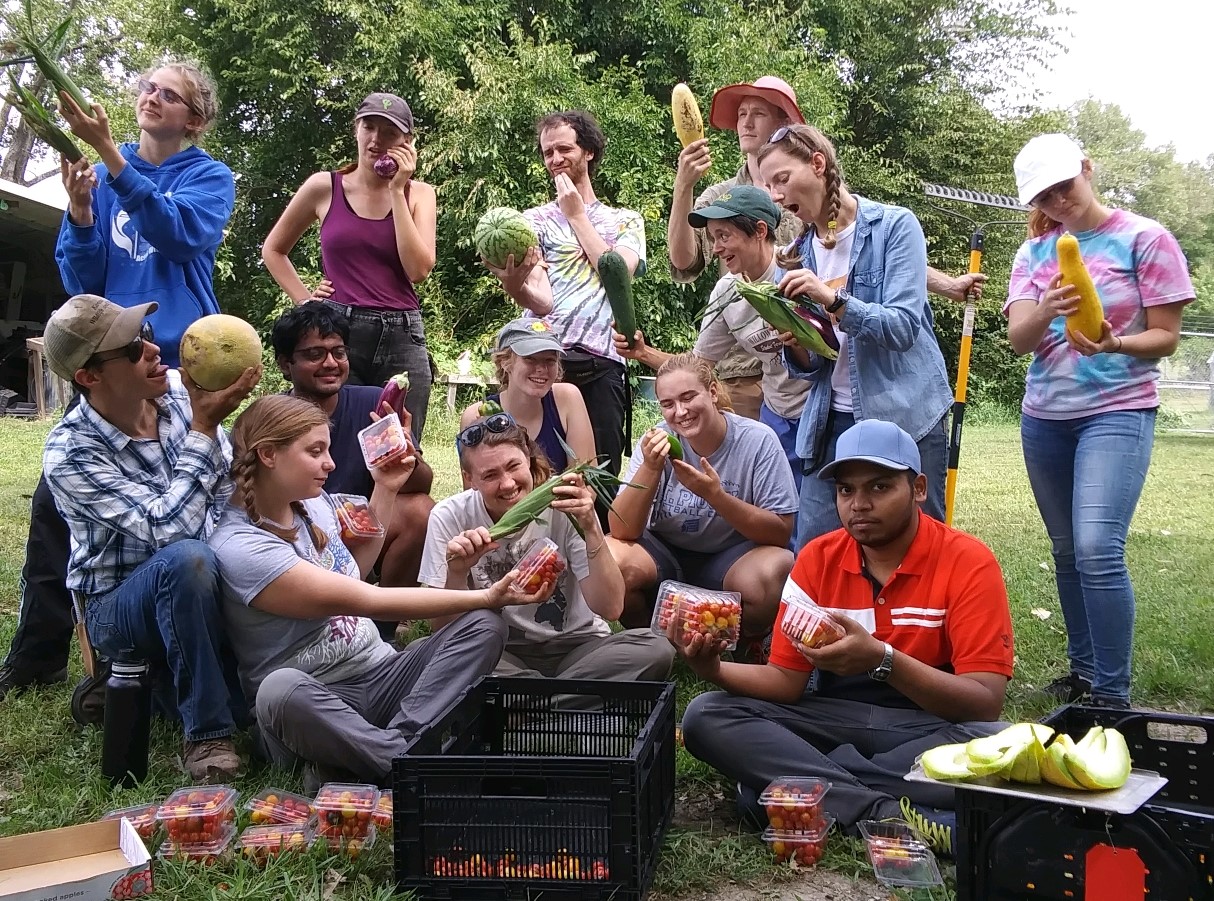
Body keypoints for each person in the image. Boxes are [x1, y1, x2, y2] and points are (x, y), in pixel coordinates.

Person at [1, 60, 232, 700]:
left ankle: (176, 647)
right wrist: (79, 216)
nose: (152, 97)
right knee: (60, 508)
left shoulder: (209, 177)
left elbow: (179, 236)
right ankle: (41, 654)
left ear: (195, 117)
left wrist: (110, 157)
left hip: (179, 360)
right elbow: (82, 289)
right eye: (148, 88)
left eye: (170, 94)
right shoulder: (101, 177)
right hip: (109, 355)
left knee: (189, 497)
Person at [680, 420, 1013, 855]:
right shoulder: (818, 559)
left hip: (930, 724)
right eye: (845, 490)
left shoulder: (968, 561)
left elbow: (984, 702)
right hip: (834, 718)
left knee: (999, 743)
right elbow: (785, 681)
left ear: (917, 488)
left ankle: (804, 787)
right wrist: (714, 668)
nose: (859, 505)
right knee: (706, 715)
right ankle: (882, 812)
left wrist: (882, 659)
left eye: (879, 488)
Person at [209, 395, 550, 788]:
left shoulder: (311, 504)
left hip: (383, 673)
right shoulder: (239, 546)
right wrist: (486, 596)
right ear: (268, 454)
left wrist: (385, 488)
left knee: (483, 627)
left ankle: (387, 750)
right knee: (278, 690)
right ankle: (400, 760)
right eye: (315, 451)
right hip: (318, 700)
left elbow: (355, 573)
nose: (331, 464)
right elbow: (368, 598)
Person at [666, 77, 986, 419]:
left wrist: (945, 284)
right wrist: (683, 186)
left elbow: (867, 254)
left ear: (786, 125)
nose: (745, 122)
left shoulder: (813, 191)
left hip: (815, 369)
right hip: (744, 365)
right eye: (741, 113)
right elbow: (684, 262)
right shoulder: (720, 197)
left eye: (757, 113)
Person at [1004, 133, 1192, 708]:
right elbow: (1017, 341)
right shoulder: (1035, 253)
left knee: (1096, 546)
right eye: (1045, 196)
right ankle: (1084, 675)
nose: (1059, 201)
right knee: (1066, 550)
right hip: (1045, 416)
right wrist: (1046, 310)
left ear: (1087, 168)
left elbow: (1166, 337)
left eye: (1066, 186)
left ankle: (1112, 696)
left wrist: (1115, 344)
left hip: (1118, 410)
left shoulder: (1146, 238)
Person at [40, 293, 260, 781]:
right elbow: (170, 532)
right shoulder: (70, 453)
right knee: (186, 561)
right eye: (132, 350)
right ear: (89, 377)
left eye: (144, 336)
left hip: (202, 581)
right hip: (117, 604)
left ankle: (148, 683)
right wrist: (205, 429)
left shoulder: (181, 394)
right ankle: (206, 738)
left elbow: (225, 493)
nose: (153, 349)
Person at [757, 125, 953, 550]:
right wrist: (797, 343)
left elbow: (902, 327)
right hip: (831, 419)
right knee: (815, 551)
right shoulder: (799, 252)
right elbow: (818, 362)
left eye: (782, 179)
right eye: (768, 184)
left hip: (905, 416)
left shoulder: (896, 227)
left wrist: (831, 299)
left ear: (818, 164)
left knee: (917, 549)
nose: (774, 195)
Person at [419, 414, 674, 684]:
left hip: (578, 647)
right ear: (469, 478)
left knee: (656, 649)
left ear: (528, 460)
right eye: (490, 475)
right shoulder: (449, 517)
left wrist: (591, 528)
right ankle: (561, 703)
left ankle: (522, 702)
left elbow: (610, 609)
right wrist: (457, 573)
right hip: (497, 651)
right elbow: (443, 630)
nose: (507, 484)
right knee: (426, 653)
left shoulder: (565, 504)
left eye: (513, 466)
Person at [262, 92, 437, 440]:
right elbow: (274, 250)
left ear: (407, 142)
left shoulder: (419, 194)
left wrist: (396, 189)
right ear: (355, 130)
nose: (376, 140)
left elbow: (418, 270)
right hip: (338, 333)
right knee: (328, 438)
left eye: (389, 132)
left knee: (400, 444)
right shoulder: (324, 186)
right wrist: (305, 302)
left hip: (402, 334)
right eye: (369, 127)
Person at [485, 110, 646, 483]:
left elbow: (618, 273)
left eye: (564, 149)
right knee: (527, 469)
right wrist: (514, 285)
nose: (555, 160)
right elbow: (542, 301)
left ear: (588, 151)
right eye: (547, 152)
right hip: (540, 359)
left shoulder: (625, 220)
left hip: (601, 363)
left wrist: (576, 216)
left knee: (599, 478)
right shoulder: (533, 221)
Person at [616, 186, 809, 489]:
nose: (716, 248)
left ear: (759, 230)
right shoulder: (727, 290)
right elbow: (698, 366)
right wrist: (642, 352)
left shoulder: (799, 270)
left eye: (724, 236)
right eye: (713, 238)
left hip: (818, 406)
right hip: (778, 413)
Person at [270, 304, 436, 637]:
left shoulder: (372, 402)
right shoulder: (272, 418)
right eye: (315, 354)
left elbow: (422, 483)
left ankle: (382, 629)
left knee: (421, 511)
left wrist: (404, 452)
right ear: (286, 364)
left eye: (338, 352)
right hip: (299, 535)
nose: (330, 363)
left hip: (362, 525)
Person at [606, 354, 797, 643]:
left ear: (713, 392)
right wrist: (650, 468)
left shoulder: (758, 441)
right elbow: (621, 530)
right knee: (611, 559)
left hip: (729, 560)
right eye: (668, 404)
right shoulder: (657, 440)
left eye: (688, 398)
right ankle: (653, 644)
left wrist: (715, 495)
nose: (680, 412)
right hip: (665, 555)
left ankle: (736, 644)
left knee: (777, 567)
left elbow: (781, 533)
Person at [459, 318, 595, 472]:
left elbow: (588, 481)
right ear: (505, 361)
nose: (541, 368)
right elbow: (475, 489)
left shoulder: (567, 399)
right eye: (530, 359)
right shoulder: (476, 415)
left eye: (550, 360)